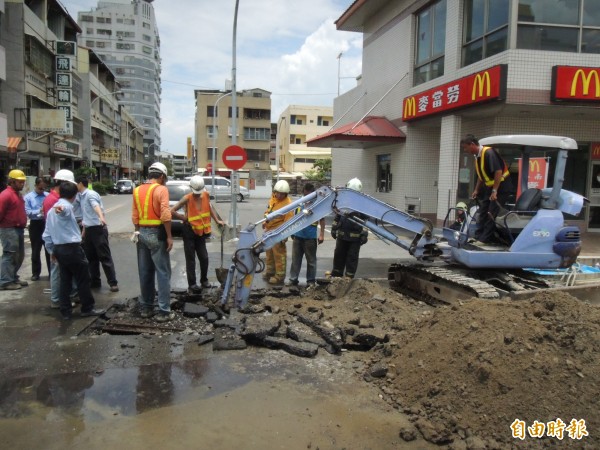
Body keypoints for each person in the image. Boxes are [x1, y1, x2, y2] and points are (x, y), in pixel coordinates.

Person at [42, 181, 104, 320]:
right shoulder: (64, 207)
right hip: (71, 248)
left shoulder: (52, 210)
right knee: (83, 278)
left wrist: (52, 250)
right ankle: (87, 308)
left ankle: (65, 311)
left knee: (65, 280)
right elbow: (62, 212)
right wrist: (61, 209)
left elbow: (46, 234)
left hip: (59, 249)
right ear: (74, 195)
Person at [132, 162, 174, 322]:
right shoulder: (161, 189)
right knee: (163, 272)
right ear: (161, 176)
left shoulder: (136, 190)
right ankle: (164, 311)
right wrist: (169, 236)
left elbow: (135, 215)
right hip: (157, 234)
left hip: (141, 232)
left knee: (145, 272)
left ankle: (147, 308)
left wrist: (137, 231)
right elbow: (165, 215)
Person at [170, 175, 224, 293]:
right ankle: (192, 284)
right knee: (191, 259)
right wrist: (184, 218)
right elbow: (172, 210)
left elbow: (210, 209)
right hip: (189, 231)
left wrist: (217, 220)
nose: (198, 194)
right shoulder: (187, 198)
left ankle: (204, 280)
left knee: (204, 257)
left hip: (201, 233)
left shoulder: (206, 195)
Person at [461, 134, 514, 244]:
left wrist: (495, 191)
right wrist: (476, 190)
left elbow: (498, 172)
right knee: (483, 210)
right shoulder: (478, 157)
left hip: (501, 187)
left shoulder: (489, 153)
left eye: (466, 147)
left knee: (491, 212)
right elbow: (481, 176)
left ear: (472, 144)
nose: (465, 150)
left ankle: (485, 239)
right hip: (490, 188)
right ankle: (478, 236)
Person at [76, 175, 118, 292]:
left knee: (104, 256)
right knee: (91, 258)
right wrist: (83, 232)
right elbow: (85, 216)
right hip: (89, 229)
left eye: (76, 183)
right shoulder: (81, 196)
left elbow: (96, 206)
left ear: (80, 183)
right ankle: (95, 281)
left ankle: (113, 282)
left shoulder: (90, 194)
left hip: (98, 229)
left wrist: (101, 217)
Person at [44, 170, 79, 309]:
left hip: (56, 243)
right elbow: (61, 211)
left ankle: (64, 297)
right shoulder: (57, 201)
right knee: (59, 273)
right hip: (60, 244)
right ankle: (58, 299)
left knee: (62, 272)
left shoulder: (55, 199)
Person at [330, 178, 368, 279]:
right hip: (342, 237)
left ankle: (348, 280)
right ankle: (336, 278)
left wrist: (364, 233)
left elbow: (366, 221)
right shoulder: (343, 201)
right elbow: (338, 216)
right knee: (338, 257)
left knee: (351, 259)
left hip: (355, 239)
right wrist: (334, 227)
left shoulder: (362, 204)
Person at [287, 183, 325, 286]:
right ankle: (293, 279)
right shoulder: (300, 203)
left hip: (310, 237)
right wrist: (292, 231)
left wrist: (321, 234)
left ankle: (310, 281)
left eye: (308, 194)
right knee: (295, 260)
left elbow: (322, 219)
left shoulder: (317, 204)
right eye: (305, 194)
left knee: (311, 261)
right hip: (298, 236)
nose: (306, 197)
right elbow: (294, 218)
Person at [0, 170, 29, 290]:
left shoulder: (17, 194)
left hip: (18, 228)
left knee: (19, 255)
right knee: (10, 255)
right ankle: (6, 281)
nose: (22, 184)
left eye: (23, 182)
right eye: (19, 182)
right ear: (12, 181)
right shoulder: (5, 195)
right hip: (9, 229)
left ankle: (12, 277)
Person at [262, 180, 293, 285]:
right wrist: (265, 222)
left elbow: (288, 222)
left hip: (278, 232)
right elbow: (269, 212)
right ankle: (270, 272)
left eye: (282, 194)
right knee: (269, 253)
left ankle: (279, 276)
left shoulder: (288, 204)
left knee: (279, 255)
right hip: (269, 231)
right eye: (277, 193)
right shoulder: (273, 199)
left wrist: (284, 236)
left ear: (286, 194)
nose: (279, 195)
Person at [24, 177, 50, 281]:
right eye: (40, 188)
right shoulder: (28, 197)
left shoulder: (48, 196)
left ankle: (52, 273)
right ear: (35, 185)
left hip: (46, 224)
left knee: (49, 249)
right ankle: (35, 273)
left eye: (43, 188)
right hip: (35, 224)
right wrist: (40, 211)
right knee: (35, 250)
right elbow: (28, 212)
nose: (42, 190)